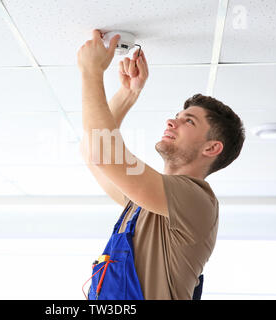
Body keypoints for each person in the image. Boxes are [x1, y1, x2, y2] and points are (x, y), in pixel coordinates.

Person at [77, 29, 245, 300]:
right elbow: (93, 153)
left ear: (211, 148)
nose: (171, 121)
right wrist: (128, 94)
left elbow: (102, 154)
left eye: (189, 121)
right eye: (177, 116)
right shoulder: (146, 205)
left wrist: (91, 72)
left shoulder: (196, 200)